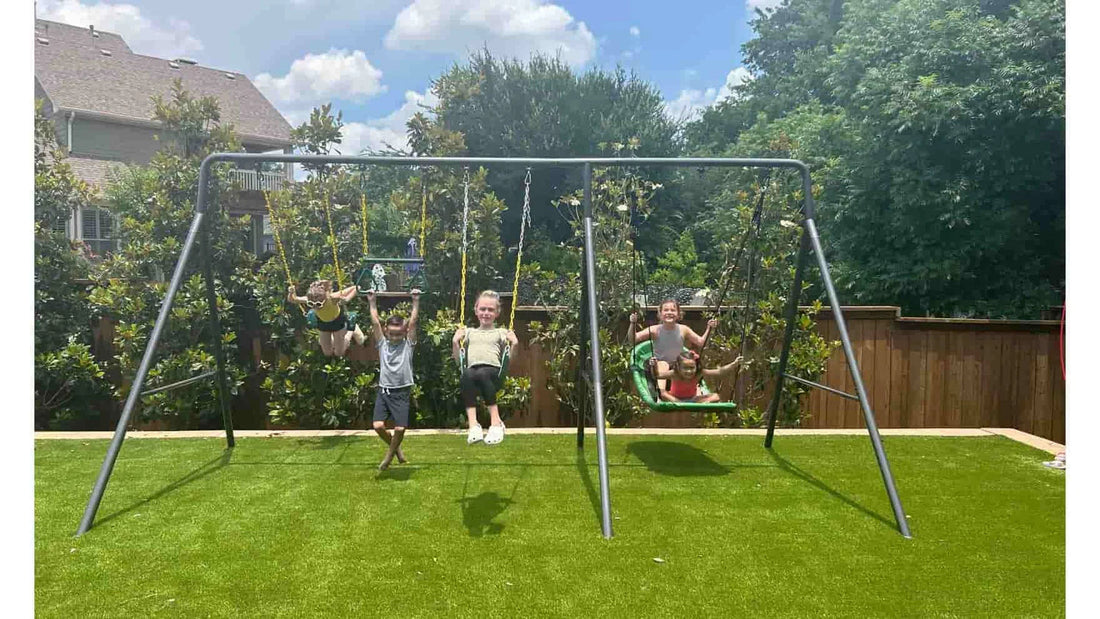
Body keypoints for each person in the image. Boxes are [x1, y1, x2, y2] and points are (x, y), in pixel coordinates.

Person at [452, 290, 519, 446]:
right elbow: (458, 361)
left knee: (482, 373)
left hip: (493, 373)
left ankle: (496, 423)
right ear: (476, 310)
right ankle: (473, 425)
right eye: (482, 309)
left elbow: (510, 361)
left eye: (490, 310)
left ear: (497, 313)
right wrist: (455, 342)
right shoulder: (468, 333)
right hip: (472, 374)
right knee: (466, 374)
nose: (486, 313)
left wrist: (514, 344)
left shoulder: (501, 333)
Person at [366, 288, 420, 470]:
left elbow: (413, 322)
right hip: (384, 391)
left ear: (404, 333)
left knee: (400, 428)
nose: (395, 337)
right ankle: (397, 451)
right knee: (378, 426)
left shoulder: (408, 345)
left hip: (402, 391)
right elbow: (375, 322)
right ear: (386, 332)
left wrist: (415, 301)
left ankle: (389, 456)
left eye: (399, 334)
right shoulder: (382, 344)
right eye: (392, 334)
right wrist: (372, 301)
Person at [629, 298, 717, 384]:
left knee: (689, 365)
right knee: (663, 365)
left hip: (677, 366)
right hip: (658, 366)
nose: (669, 313)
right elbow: (633, 339)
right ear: (660, 314)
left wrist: (710, 329)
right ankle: (661, 392)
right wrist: (633, 323)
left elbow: (701, 342)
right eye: (666, 310)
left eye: (673, 310)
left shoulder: (684, 329)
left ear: (678, 314)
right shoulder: (654, 330)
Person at [287, 280, 365, 357]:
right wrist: (291, 293)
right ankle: (335, 338)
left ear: (325, 298)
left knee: (339, 353)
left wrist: (348, 298)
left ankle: (351, 328)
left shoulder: (332, 298)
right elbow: (293, 299)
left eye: (318, 304)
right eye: (311, 304)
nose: (315, 307)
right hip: (323, 323)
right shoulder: (309, 299)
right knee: (327, 353)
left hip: (337, 322)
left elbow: (356, 287)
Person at [654, 350, 746, 403]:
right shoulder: (675, 373)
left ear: (696, 366)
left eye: (691, 368)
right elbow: (657, 375)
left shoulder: (699, 373)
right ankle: (680, 403)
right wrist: (653, 365)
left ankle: (700, 404)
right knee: (662, 392)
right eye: (685, 368)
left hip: (693, 399)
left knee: (716, 396)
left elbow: (719, 372)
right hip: (675, 398)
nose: (689, 371)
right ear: (678, 367)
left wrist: (734, 364)